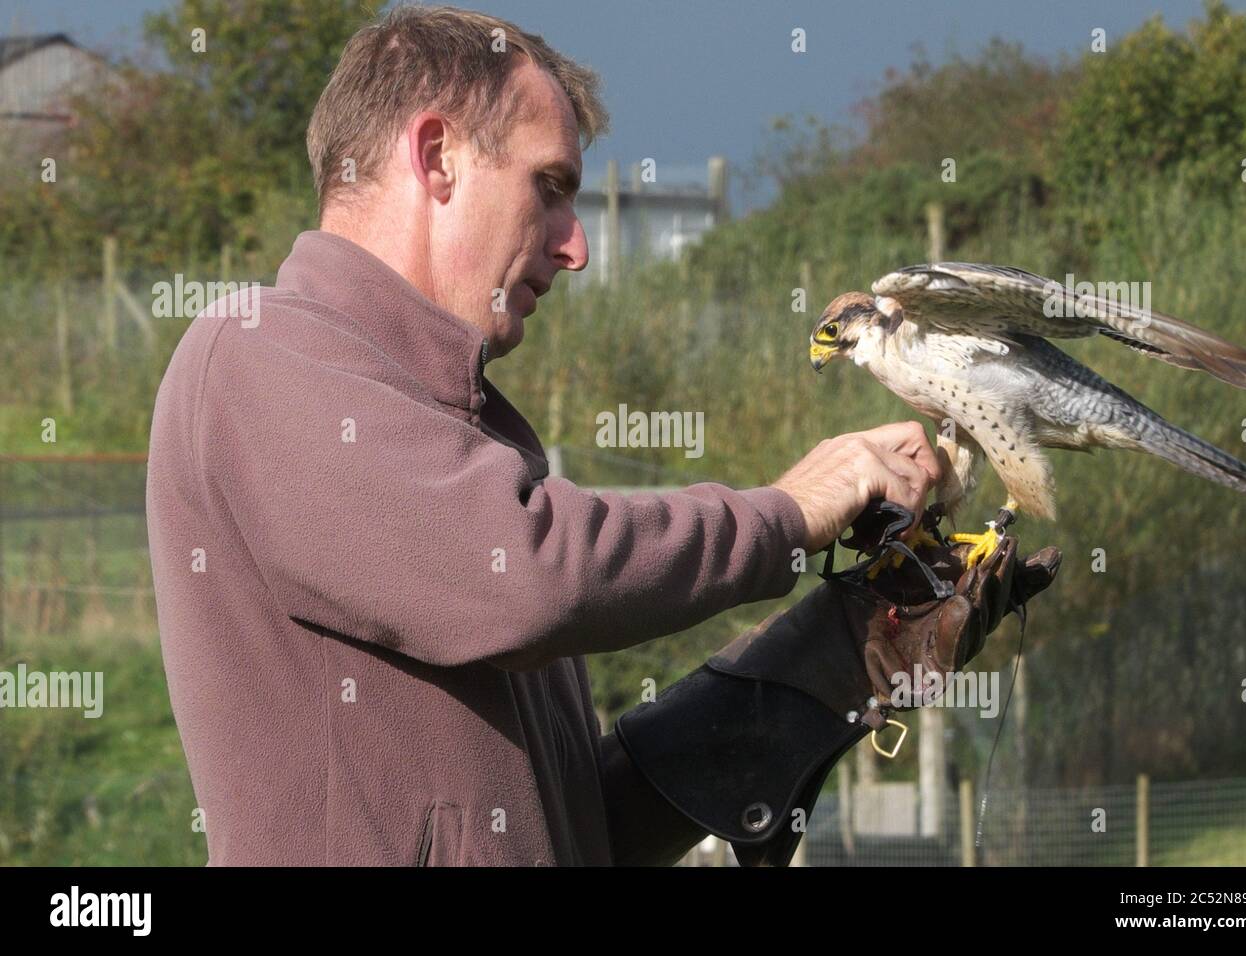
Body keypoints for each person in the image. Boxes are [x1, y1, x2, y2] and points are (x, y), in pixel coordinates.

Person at [146, 5, 1054, 866]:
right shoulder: (258, 352)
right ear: (435, 159)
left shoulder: (453, 435)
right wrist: (785, 514)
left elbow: (574, 837)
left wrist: (832, 652)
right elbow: (528, 573)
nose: (576, 247)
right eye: (550, 188)